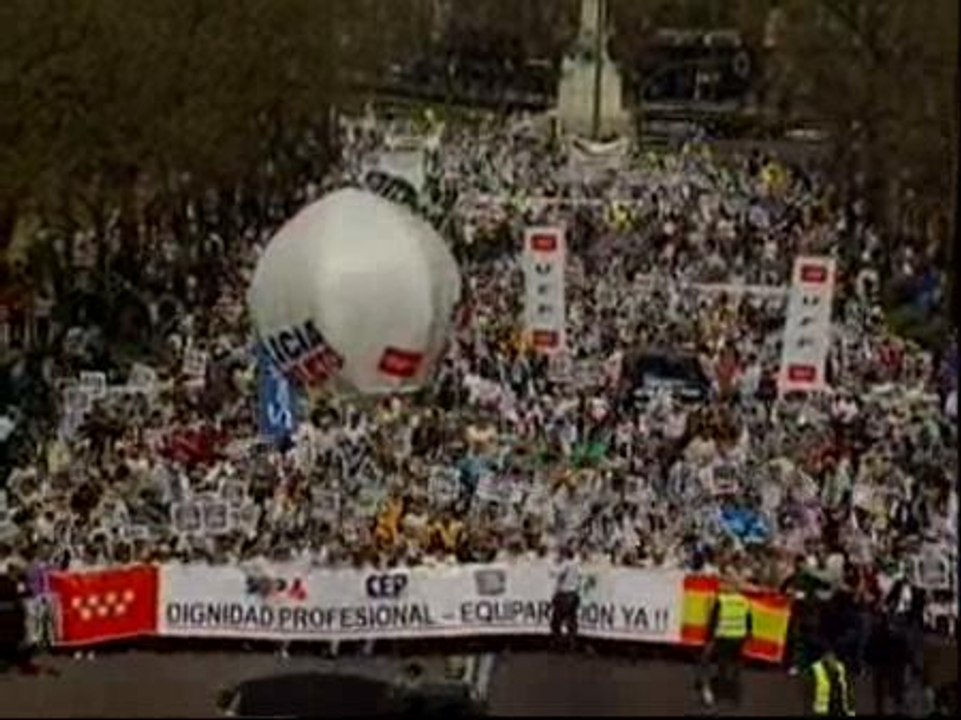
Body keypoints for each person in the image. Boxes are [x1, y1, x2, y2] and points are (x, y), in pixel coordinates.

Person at [698, 577, 752, 708]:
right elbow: (749, 623)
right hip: (738, 638)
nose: (721, 586)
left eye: (724, 583)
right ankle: (734, 692)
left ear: (730, 587)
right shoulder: (745, 601)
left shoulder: (722, 600)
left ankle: (710, 693)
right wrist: (746, 637)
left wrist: (708, 639)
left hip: (723, 637)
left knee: (710, 660)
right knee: (734, 662)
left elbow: (713, 621)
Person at [806, 645, 856, 716]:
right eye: (828, 656)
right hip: (821, 711)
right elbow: (809, 693)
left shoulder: (841, 667)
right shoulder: (815, 669)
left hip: (839, 709)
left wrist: (850, 710)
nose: (830, 659)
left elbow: (847, 689)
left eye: (832, 656)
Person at [549, 546, 581, 650]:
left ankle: (559, 643)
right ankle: (572, 643)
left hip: (565, 594)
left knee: (556, 621)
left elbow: (555, 573)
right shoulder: (577, 565)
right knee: (571, 621)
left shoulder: (566, 564)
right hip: (574, 594)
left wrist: (553, 563)